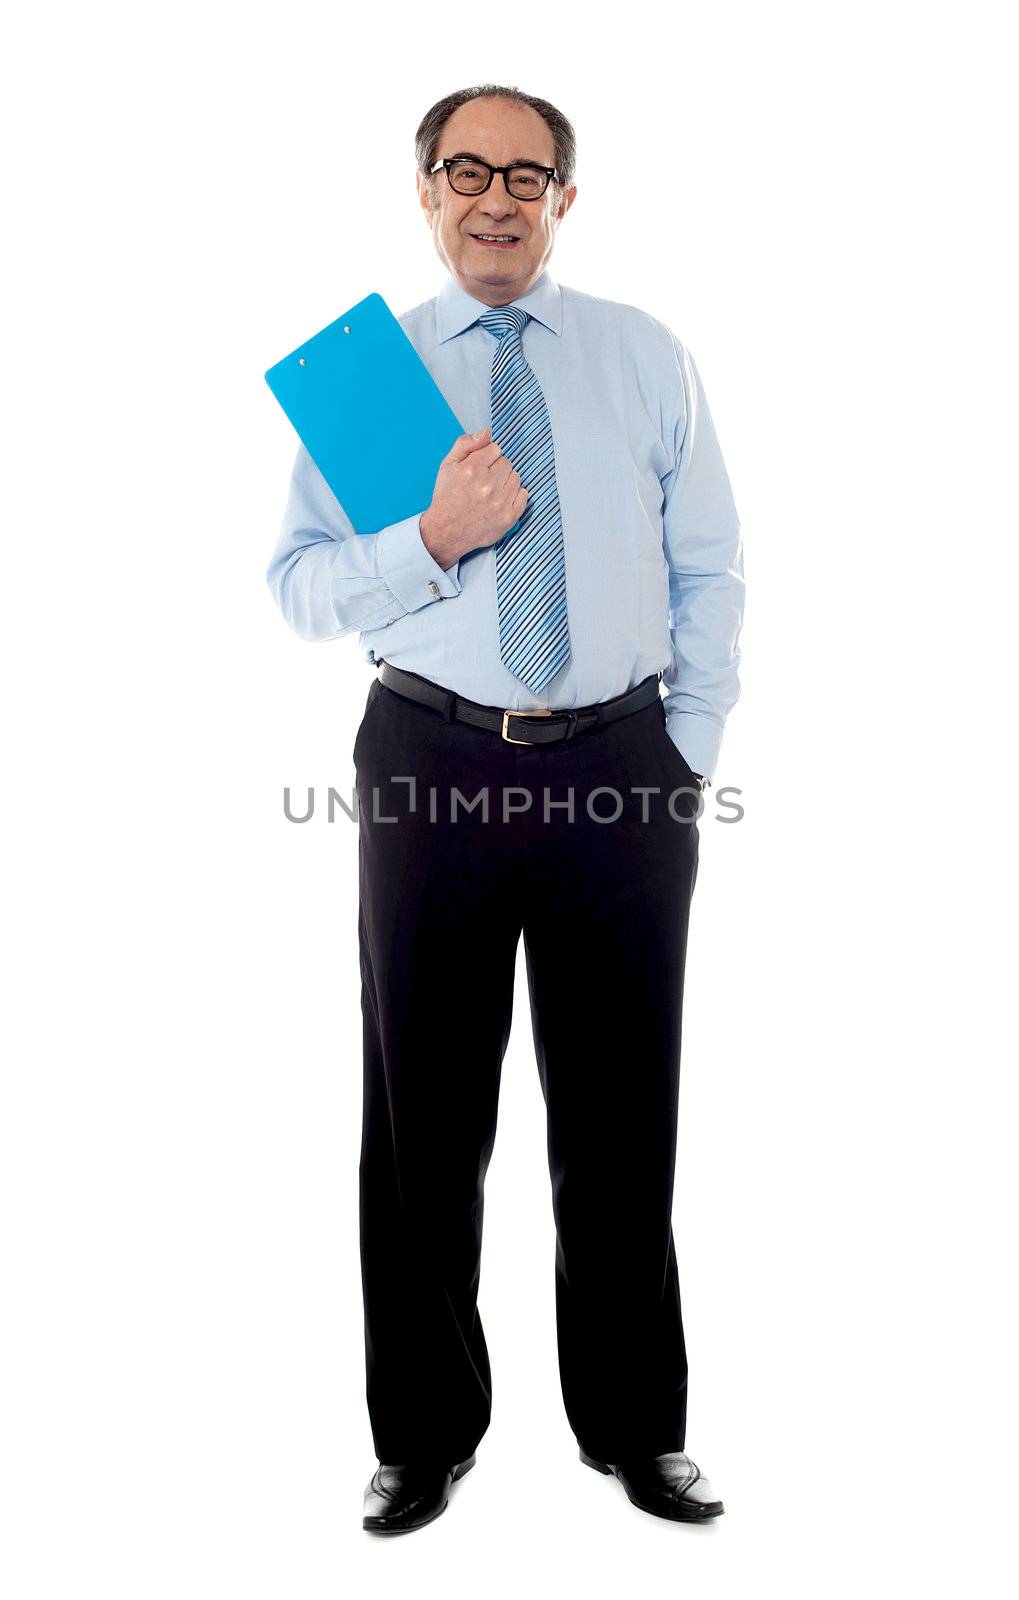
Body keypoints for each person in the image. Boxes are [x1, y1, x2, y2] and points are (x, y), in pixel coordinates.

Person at [266, 83, 744, 1535]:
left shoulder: (643, 355)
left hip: (623, 767)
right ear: (423, 193)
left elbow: (711, 566)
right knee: (423, 1116)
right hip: (432, 760)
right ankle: (420, 1436)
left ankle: (636, 1428)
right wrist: (429, 538)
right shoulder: (371, 376)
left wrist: (683, 754)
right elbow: (296, 584)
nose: (495, 196)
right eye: (464, 170)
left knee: (620, 1116)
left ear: (565, 201)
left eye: (525, 175)